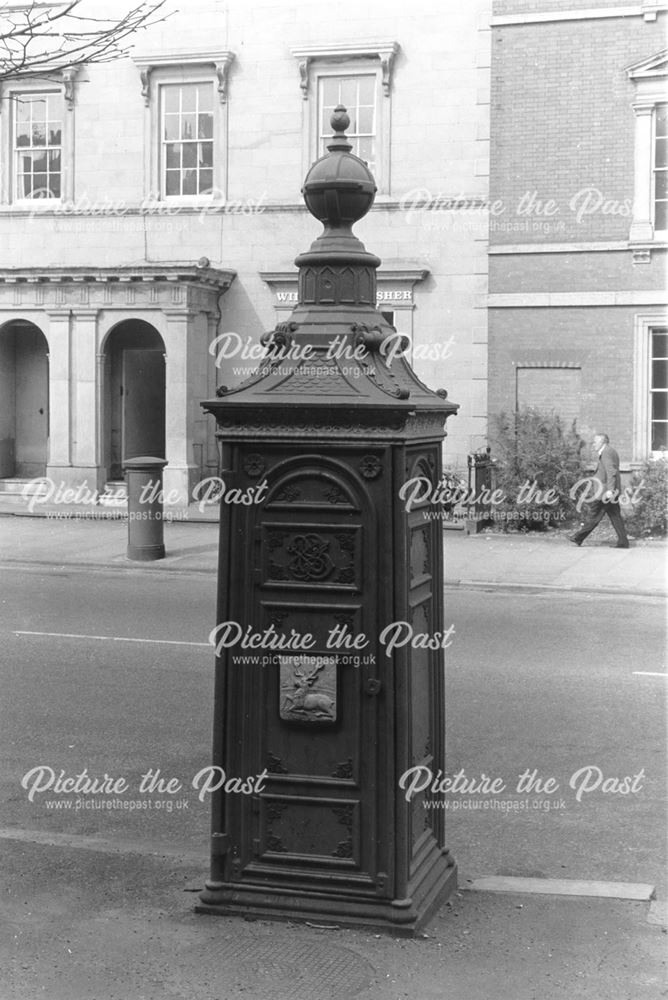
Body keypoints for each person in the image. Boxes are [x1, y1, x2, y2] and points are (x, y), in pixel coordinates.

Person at [570, 433, 629, 548]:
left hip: (606, 492)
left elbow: (611, 471)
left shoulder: (606, 452)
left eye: (595, 442)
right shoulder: (608, 451)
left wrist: (610, 491)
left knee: (595, 515)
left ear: (603, 442)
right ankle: (623, 542)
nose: (593, 444)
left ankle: (578, 537)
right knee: (615, 516)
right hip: (609, 491)